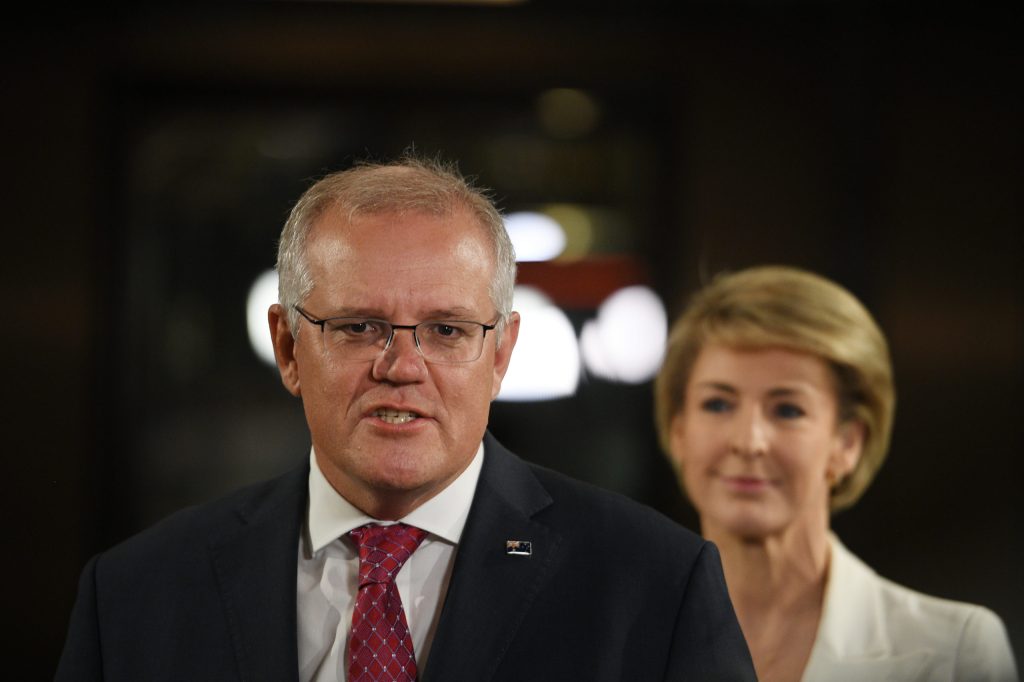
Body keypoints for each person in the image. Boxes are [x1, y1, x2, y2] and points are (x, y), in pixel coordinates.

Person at [56, 156, 756, 681]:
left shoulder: (655, 585)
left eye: (447, 331)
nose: (401, 364)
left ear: (501, 352)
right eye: (360, 326)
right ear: (288, 347)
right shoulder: (133, 597)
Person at [654, 265, 1019, 682]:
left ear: (848, 443)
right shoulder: (615, 638)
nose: (748, 440)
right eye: (718, 404)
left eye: (787, 409)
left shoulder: (955, 652)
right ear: (678, 429)